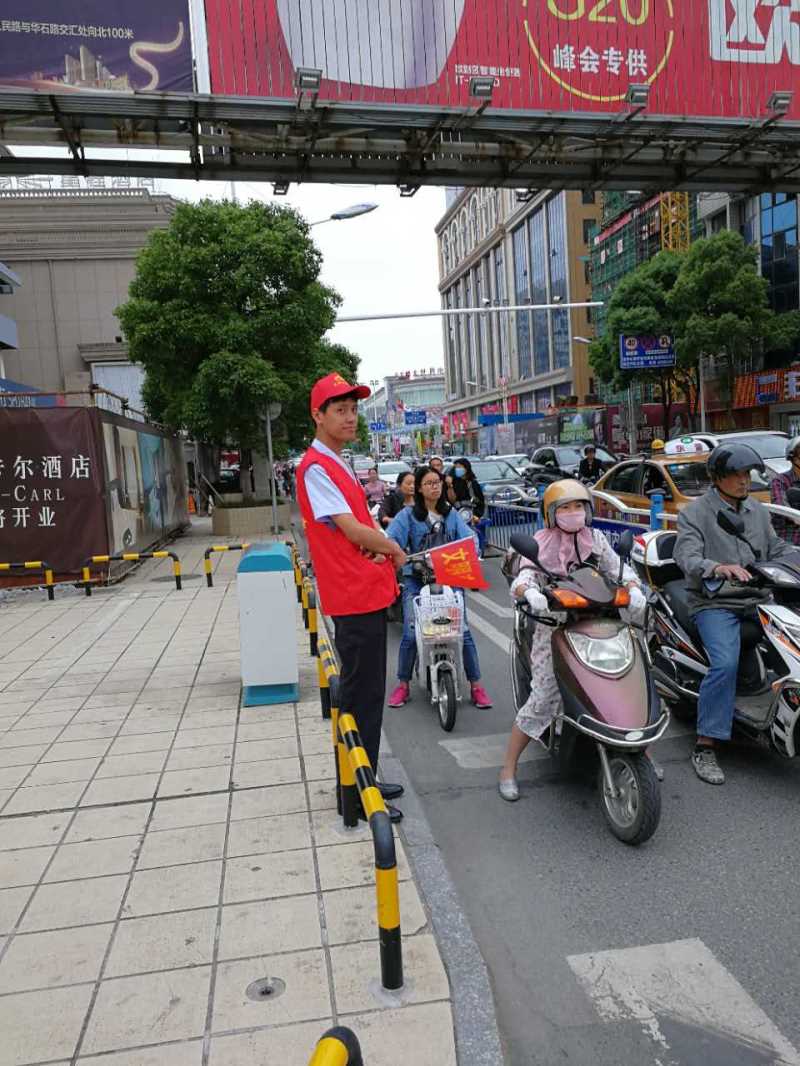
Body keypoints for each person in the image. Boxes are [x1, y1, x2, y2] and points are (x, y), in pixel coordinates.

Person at [296, 372, 408, 821]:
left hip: (365, 591)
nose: (349, 417)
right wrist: (392, 547)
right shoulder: (316, 467)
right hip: (352, 595)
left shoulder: (337, 462)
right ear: (318, 416)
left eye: (353, 409)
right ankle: (357, 796)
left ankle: (367, 777)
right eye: (339, 410)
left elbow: (360, 528)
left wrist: (378, 545)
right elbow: (352, 529)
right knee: (361, 698)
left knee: (368, 696)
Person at [498, 481, 646, 801]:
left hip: (601, 623)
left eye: (579, 506)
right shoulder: (540, 542)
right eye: (565, 507)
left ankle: (641, 752)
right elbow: (523, 579)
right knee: (544, 697)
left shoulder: (596, 538)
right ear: (551, 513)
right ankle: (508, 769)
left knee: (630, 682)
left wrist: (634, 589)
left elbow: (619, 570)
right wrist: (531, 593)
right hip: (554, 627)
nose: (573, 512)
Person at [674, 442, 792, 785]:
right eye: (736, 475)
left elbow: (775, 547)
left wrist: (794, 556)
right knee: (724, 663)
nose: (744, 481)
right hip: (716, 602)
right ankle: (706, 743)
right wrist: (717, 567)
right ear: (717, 477)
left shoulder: (758, 510)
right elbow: (687, 557)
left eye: (747, 474)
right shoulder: (695, 513)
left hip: (758, 598)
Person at [385, 465, 493, 709]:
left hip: (449, 580)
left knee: (462, 631)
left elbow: (469, 538)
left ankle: (476, 686)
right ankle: (403, 685)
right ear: (419, 488)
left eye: (437, 482)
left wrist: (472, 551)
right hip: (416, 581)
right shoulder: (407, 516)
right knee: (412, 632)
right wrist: (398, 553)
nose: (434, 487)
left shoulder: (451, 513)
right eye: (429, 483)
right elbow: (390, 539)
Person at [445, 456, 488, 556]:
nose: (457, 469)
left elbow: (480, 501)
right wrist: (450, 486)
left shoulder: (473, 483)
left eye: (460, 467)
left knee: (474, 539)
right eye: (456, 467)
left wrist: (477, 515)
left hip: (471, 517)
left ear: (466, 468)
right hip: (457, 516)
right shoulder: (453, 483)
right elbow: (451, 500)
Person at [770, 436, 800, 545]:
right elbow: (782, 507)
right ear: (794, 459)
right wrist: (795, 516)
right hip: (790, 536)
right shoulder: (780, 481)